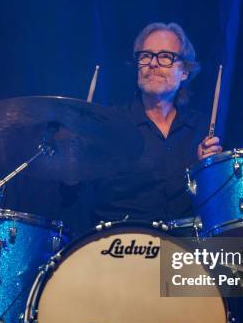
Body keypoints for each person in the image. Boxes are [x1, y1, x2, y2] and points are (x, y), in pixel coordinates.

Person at [92, 22, 223, 223]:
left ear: (185, 71)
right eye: (146, 56)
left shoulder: (203, 128)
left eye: (165, 57)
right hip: (121, 245)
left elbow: (217, 205)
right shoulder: (109, 123)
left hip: (182, 246)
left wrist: (206, 170)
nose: (153, 63)